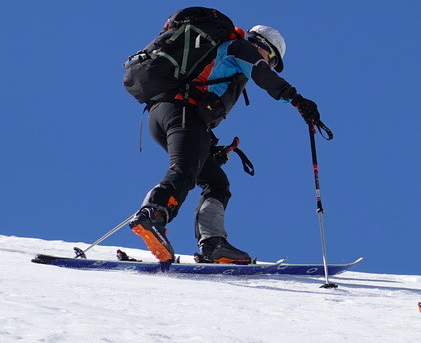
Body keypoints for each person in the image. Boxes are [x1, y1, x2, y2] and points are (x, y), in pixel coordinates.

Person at [129, 23, 321, 265]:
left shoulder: (227, 59)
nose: (270, 64)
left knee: (217, 183)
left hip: (170, 115)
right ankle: (152, 214)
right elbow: (263, 74)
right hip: (181, 110)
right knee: (185, 170)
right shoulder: (241, 49)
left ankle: (213, 244)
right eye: (272, 58)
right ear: (261, 45)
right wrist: (297, 100)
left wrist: (209, 149)